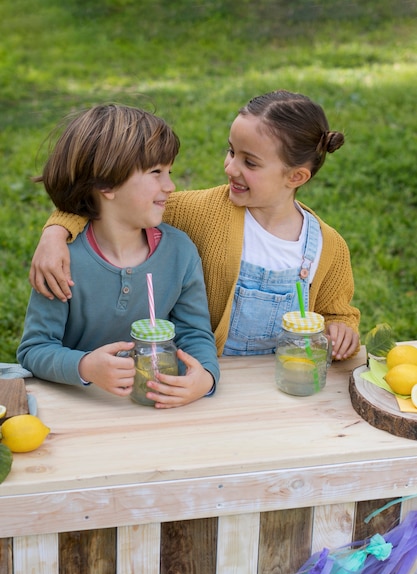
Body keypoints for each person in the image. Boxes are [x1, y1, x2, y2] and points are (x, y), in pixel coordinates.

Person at [29, 90, 360, 360]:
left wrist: (341, 328)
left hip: (281, 382)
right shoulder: (201, 211)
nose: (230, 167)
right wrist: (56, 231)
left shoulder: (327, 247)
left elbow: (336, 312)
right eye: (231, 151)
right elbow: (111, 200)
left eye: (250, 162)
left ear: (296, 176)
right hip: (210, 374)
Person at [18, 104, 219, 408]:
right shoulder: (61, 261)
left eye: (169, 172)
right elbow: (34, 349)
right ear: (105, 184)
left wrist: (204, 376)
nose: (170, 185)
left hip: (156, 406)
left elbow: (194, 334)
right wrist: (86, 366)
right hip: (81, 409)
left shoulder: (180, 252)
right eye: (155, 173)